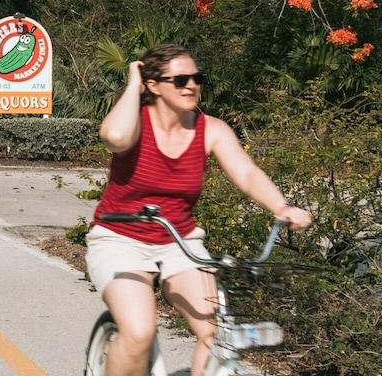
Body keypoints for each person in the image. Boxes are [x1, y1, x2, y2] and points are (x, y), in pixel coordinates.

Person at [88, 44, 313, 376]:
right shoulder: (135, 122)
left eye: (197, 77)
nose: (191, 85)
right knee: (138, 333)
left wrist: (281, 206)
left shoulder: (211, 129)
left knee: (218, 335)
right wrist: (133, 85)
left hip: (180, 242)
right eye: (180, 79)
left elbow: (247, 173)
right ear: (153, 85)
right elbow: (115, 136)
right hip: (120, 238)